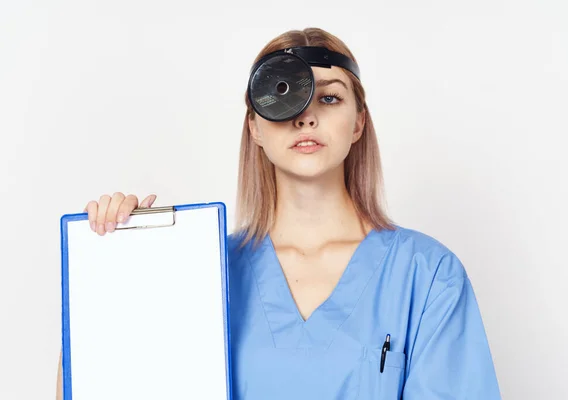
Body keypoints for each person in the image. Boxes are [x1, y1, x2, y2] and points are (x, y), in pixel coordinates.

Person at [56, 27, 502, 399]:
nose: (305, 118)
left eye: (328, 99)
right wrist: (110, 273)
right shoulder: (198, 271)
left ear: (359, 122)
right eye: (283, 96)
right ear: (254, 126)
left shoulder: (426, 276)